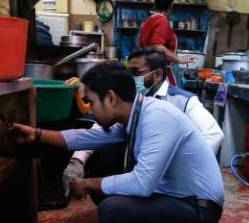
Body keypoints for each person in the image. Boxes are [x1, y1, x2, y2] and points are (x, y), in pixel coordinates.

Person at [11, 61, 224, 223]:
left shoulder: (157, 117)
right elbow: (85, 137)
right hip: (178, 200)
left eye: (91, 101)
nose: (90, 109)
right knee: (107, 179)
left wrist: (88, 184)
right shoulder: (136, 115)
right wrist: (37, 134)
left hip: (200, 211)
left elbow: (142, 184)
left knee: (111, 210)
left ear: (111, 98)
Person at [64, 47, 223, 190]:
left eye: (136, 72)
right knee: (103, 152)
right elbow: (104, 128)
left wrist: (180, 170)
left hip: (170, 181)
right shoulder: (133, 99)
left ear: (158, 74)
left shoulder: (183, 101)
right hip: (140, 172)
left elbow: (214, 134)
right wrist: (78, 159)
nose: (130, 77)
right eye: (128, 72)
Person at [138, 0, 180, 85]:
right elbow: (158, 47)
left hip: (150, 71)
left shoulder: (148, 20)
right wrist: (178, 59)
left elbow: (139, 43)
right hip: (162, 75)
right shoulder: (162, 21)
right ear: (170, 6)